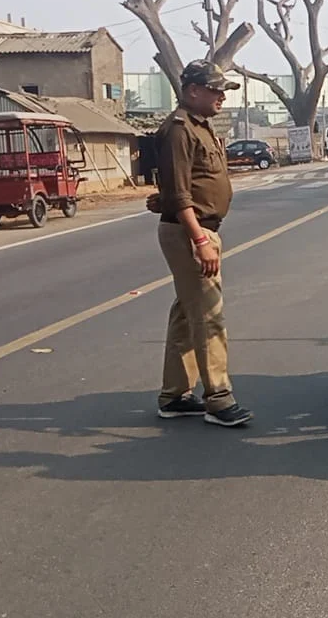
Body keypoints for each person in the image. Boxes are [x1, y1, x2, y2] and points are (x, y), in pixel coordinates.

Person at [144, 60, 254, 428]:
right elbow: (178, 192)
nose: (222, 96)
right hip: (191, 232)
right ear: (192, 90)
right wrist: (200, 240)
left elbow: (187, 185)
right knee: (208, 316)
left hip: (200, 228)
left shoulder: (201, 127)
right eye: (215, 89)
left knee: (186, 313)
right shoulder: (178, 130)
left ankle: (174, 395)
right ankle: (219, 398)